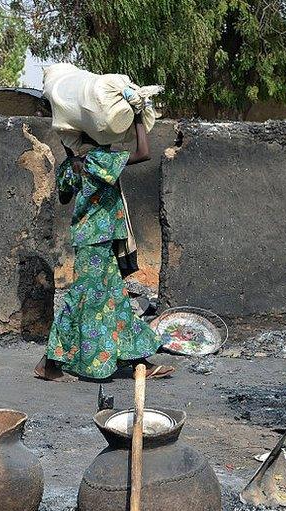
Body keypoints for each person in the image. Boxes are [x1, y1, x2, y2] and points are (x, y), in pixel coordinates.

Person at [35, 114, 172, 382]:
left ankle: (138, 363)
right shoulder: (100, 160)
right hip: (96, 242)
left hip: (93, 242)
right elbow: (143, 153)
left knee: (115, 301)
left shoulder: (73, 165)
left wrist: (72, 160)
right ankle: (49, 363)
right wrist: (139, 119)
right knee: (81, 301)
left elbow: (64, 198)